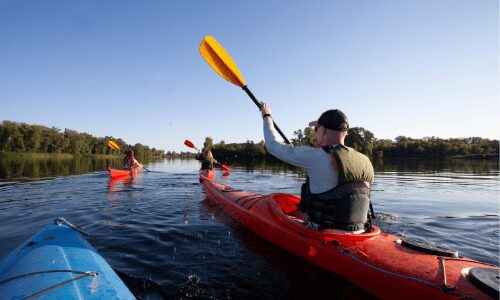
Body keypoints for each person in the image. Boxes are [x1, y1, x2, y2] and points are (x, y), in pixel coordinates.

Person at [260, 102, 374, 232]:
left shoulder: (317, 156)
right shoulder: (365, 160)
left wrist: (267, 116)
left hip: (323, 234)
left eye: (316, 129)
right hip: (361, 231)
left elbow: (272, 145)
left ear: (323, 130)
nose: (315, 134)